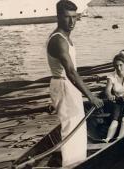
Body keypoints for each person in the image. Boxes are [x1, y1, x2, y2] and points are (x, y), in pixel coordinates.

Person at [47, 1, 103, 166]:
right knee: (72, 128)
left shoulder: (64, 38)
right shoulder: (59, 40)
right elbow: (71, 72)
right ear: (58, 17)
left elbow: (68, 72)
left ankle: (77, 161)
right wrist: (91, 96)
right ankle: (71, 164)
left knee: (77, 127)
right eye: (67, 17)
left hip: (65, 85)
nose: (72, 22)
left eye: (74, 17)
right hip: (65, 85)